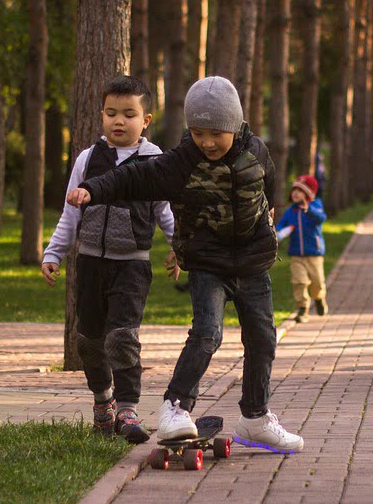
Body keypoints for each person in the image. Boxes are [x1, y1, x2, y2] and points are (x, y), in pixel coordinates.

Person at [67, 76, 303, 454]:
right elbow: (135, 176)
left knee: (263, 338)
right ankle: (175, 407)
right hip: (208, 262)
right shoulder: (181, 163)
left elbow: (268, 188)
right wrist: (93, 189)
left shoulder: (256, 152)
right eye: (198, 133)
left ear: (235, 126)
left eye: (216, 134)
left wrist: (268, 220)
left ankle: (255, 417)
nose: (207, 142)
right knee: (208, 333)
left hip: (252, 264)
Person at [42, 75, 178, 443]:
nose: (119, 121)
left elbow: (165, 212)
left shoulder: (154, 161)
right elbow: (70, 213)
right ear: (102, 115)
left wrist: (178, 247)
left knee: (121, 337)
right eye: (111, 113)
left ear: (145, 120)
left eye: (129, 115)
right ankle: (103, 402)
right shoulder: (88, 158)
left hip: (132, 265)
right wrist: (54, 253)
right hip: (89, 263)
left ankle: (128, 409)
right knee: (88, 341)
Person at [275, 174, 328, 322]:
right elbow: (281, 225)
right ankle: (302, 308)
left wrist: (308, 210)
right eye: (294, 190)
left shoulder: (315, 206)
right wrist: (277, 232)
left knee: (317, 282)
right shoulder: (290, 211)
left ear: (308, 193)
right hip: (296, 254)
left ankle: (319, 298)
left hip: (314, 253)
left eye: (300, 191)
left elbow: (321, 218)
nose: (296, 193)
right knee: (299, 281)